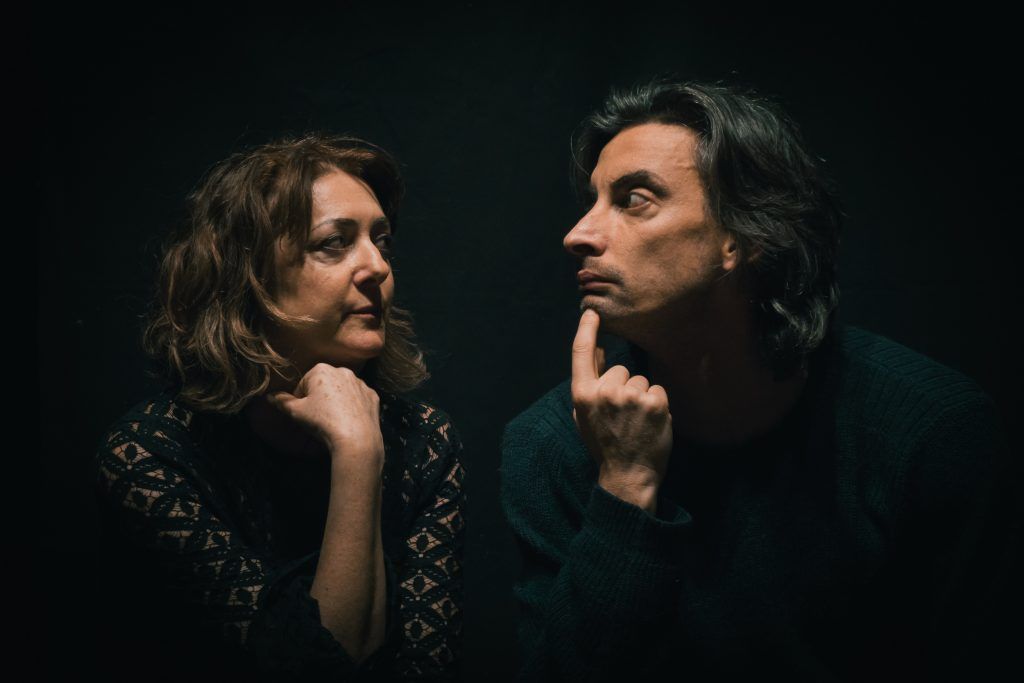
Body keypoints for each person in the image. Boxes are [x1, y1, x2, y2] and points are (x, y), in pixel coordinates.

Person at [500, 81, 1020, 681]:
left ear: (742, 236)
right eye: (592, 200)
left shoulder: (930, 432)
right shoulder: (553, 444)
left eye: (633, 199)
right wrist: (626, 486)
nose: (578, 234)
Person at [92, 134, 465, 681]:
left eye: (381, 240)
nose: (378, 267)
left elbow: (428, 669)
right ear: (248, 278)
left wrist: (365, 447)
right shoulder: (152, 456)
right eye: (334, 243)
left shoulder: (424, 441)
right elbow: (315, 667)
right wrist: (358, 454)